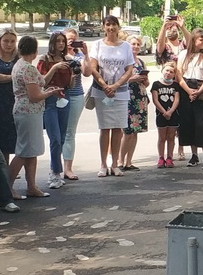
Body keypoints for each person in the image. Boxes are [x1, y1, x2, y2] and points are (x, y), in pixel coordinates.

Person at [8, 35, 62, 199]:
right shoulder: (28, 68)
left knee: (31, 151)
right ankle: (7, 186)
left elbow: (39, 84)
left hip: (25, 110)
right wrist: (50, 93)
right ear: (35, 50)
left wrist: (47, 87)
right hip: (29, 112)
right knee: (24, 151)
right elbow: (34, 96)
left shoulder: (19, 64)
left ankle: (31, 186)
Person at [84, 15, 135, 177]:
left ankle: (115, 164)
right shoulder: (98, 45)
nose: (111, 27)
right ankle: (103, 164)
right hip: (102, 92)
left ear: (118, 27)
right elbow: (93, 67)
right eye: (108, 24)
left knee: (118, 128)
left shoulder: (126, 46)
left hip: (120, 92)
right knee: (105, 128)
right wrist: (104, 85)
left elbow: (129, 69)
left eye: (114, 24)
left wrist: (116, 85)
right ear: (103, 27)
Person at [37, 31, 73, 188]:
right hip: (50, 99)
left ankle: (55, 170)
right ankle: (55, 173)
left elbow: (70, 85)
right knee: (55, 138)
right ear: (52, 43)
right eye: (58, 41)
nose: (61, 44)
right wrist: (55, 68)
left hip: (64, 97)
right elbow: (41, 82)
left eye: (63, 41)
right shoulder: (44, 59)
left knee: (62, 138)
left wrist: (74, 74)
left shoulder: (67, 60)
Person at [176, 28, 203, 167]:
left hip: (201, 87)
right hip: (186, 87)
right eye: (201, 39)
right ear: (193, 40)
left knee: (201, 123)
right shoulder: (183, 54)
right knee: (189, 122)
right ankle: (194, 155)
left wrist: (199, 91)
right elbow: (179, 74)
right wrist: (188, 90)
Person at [155, 16, 190, 160]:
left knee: (181, 117)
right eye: (169, 28)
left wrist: (182, 26)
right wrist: (164, 26)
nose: (171, 30)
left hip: (182, 83)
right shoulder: (165, 46)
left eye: (173, 28)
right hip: (167, 85)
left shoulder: (182, 45)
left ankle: (180, 148)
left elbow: (190, 42)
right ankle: (165, 154)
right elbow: (159, 47)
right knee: (168, 117)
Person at [0, 28, 19, 165]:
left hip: (14, 100)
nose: (9, 44)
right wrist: (12, 77)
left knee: (13, 140)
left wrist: (4, 77)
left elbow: (23, 76)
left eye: (12, 41)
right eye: (6, 41)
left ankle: (9, 171)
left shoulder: (18, 57)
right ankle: (2, 168)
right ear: (0, 41)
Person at [119, 35, 150, 171]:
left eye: (138, 44)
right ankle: (120, 161)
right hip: (127, 98)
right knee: (128, 132)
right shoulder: (124, 61)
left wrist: (144, 80)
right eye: (133, 44)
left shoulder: (141, 62)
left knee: (136, 131)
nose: (136, 46)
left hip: (140, 98)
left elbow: (147, 84)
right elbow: (118, 80)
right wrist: (132, 79)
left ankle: (129, 162)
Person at [60, 28, 87, 180]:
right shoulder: (56, 55)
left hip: (76, 95)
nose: (70, 41)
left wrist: (85, 54)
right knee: (58, 134)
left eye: (73, 39)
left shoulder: (79, 55)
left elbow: (87, 72)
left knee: (70, 132)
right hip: (58, 95)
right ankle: (55, 168)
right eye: (67, 39)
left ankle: (68, 168)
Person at [151, 62, 181, 168]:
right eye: (167, 70)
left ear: (174, 74)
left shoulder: (175, 85)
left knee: (171, 137)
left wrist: (171, 111)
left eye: (171, 72)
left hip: (173, 114)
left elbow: (176, 100)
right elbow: (155, 100)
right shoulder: (156, 84)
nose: (168, 73)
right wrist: (164, 112)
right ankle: (161, 157)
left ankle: (169, 157)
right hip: (161, 114)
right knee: (162, 137)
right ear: (162, 71)